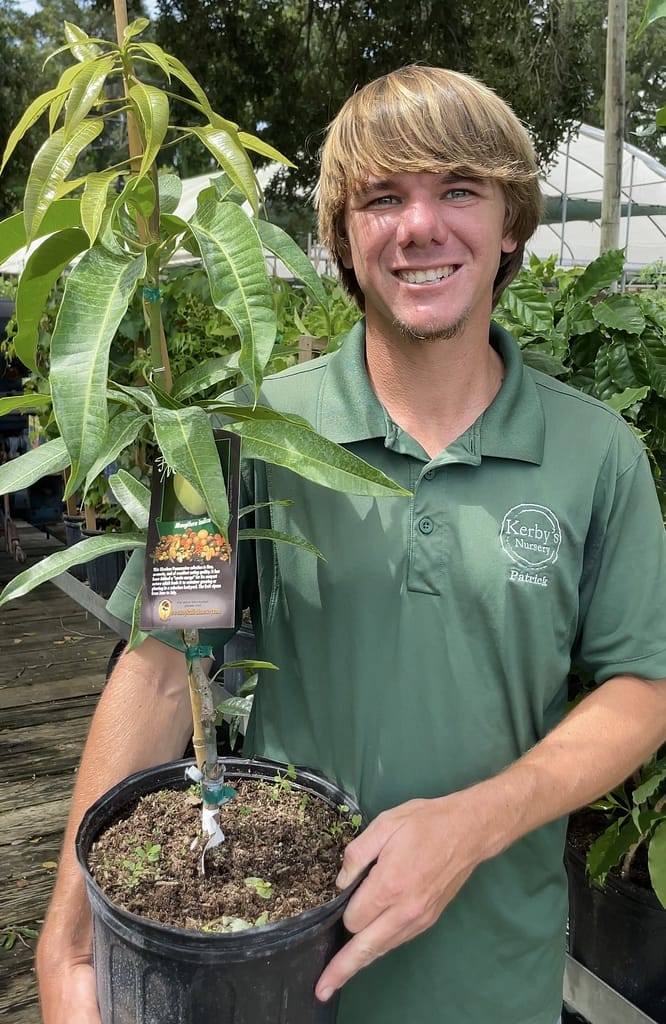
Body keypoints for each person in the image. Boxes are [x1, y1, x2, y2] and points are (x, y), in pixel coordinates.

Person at [36, 66, 666, 1024]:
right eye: (382, 198)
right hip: (264, 977)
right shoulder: (237, 437)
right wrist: (71, 941)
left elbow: (644, 687)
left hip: (490, 977)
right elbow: (165, 663)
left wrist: (473, 822)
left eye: (459, 188)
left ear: (510, 225)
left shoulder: (596, 454)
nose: (420, 227)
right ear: (341, 234)